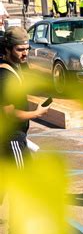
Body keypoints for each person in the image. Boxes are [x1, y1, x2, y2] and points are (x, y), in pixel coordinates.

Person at [0, 27, 50, 168]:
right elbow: (9, 114)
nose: (25, 53)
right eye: (20, 49)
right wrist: (36, 113)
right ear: (8, 49)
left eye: (27, 49)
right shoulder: (5, 76)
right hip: (11, 138)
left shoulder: (16, 66)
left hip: (17, 137)